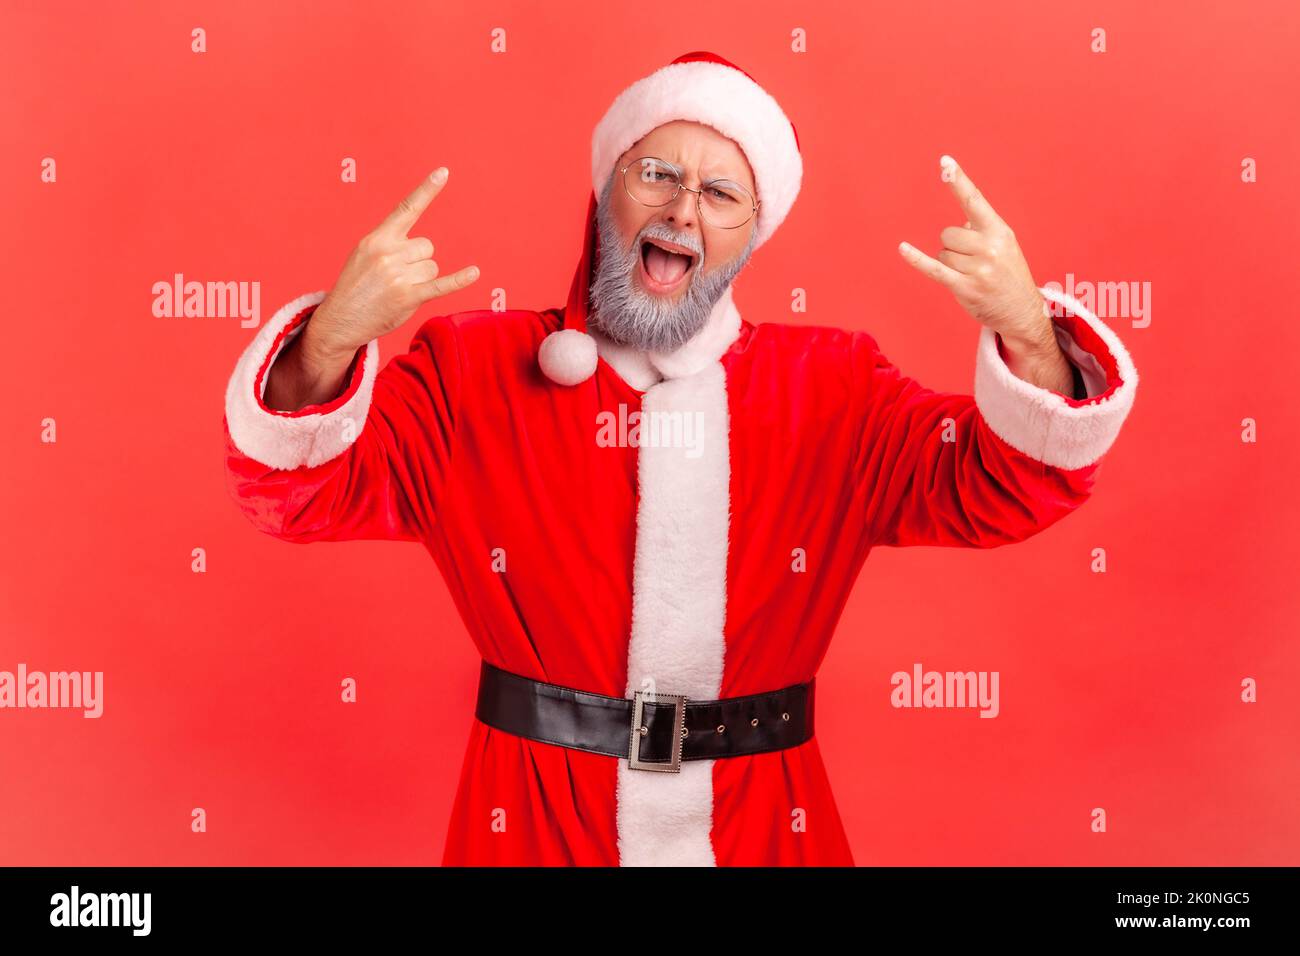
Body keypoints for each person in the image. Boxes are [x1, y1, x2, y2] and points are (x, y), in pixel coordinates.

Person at [222, 51, 1139, 866]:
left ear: (750, 235)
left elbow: (1012, 485)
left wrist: (1029, 332)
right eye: (655, 173)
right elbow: (294, 493)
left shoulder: (834, 388)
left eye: (721, 194)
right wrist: (332, 338)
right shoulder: (473, 372)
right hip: (533, 822)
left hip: (765, 825)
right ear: (605, 193)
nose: (682, 208)